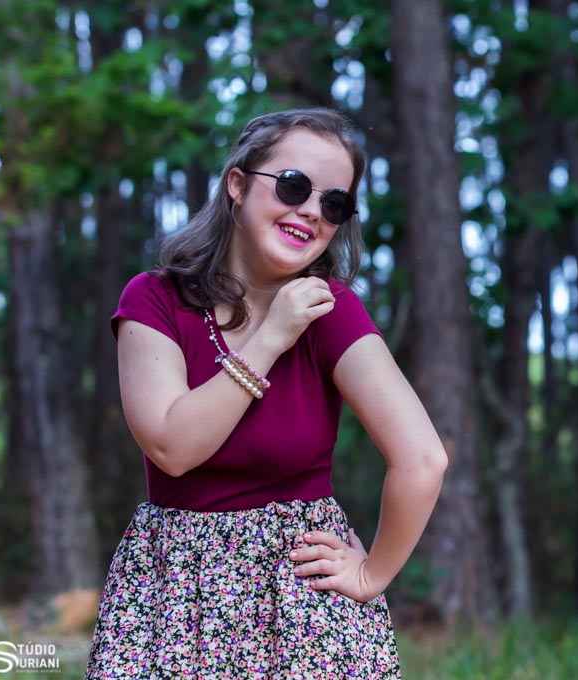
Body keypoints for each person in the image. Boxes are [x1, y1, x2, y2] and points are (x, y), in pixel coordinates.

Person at [85, 107, 448, 679]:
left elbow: (423, 459)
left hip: (302, 602)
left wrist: (370, 574)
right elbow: (172, 448)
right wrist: (271, 336)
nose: (312, 211)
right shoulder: (155, 300)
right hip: (173, 594)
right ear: (237, 184)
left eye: (334, 203)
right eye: (294, 185)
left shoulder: (330, 310)